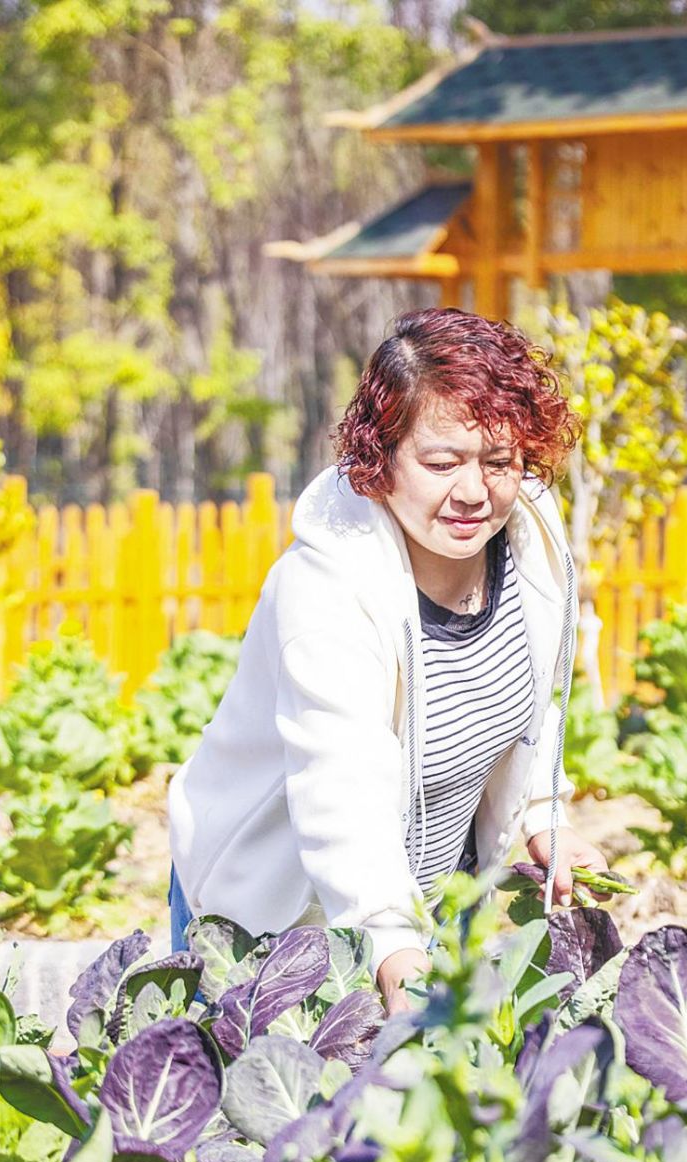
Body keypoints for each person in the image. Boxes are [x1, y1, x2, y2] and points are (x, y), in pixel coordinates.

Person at [167, 308, 610, 1014]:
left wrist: (542, 816)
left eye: (499, 462)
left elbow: (529, 706)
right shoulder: (327, 589)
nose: (475, 491)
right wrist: (396, 952)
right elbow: (340, 792)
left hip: (430, 905)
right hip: (280, 921)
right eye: (441, 463)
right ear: (382, 456)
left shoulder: (530, 537)